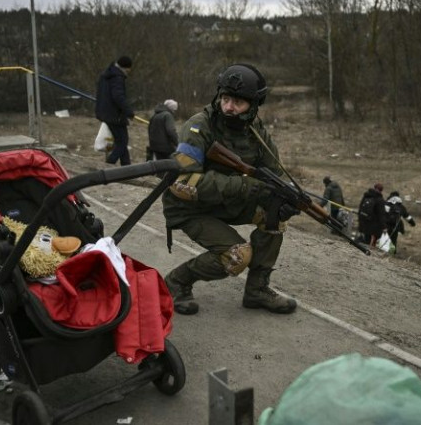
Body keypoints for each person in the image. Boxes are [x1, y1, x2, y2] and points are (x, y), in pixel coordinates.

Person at [162, 63, 300, 316]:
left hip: (226, 203)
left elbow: (273, 174)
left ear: (254, 106)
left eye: (237, 102)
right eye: (225, 99)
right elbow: (182, 183)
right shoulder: (198, 127)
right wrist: (247, 185)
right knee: (237, 256)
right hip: (190, 208)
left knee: (275, 214)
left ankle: (257, 290)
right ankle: (176, 282)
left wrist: (286, 199)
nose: (229, 107)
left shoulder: (255, 131)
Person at [95, 56, 135, 166]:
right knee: (122, 142)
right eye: (129, 69)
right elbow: (118, 97)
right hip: (115, 115)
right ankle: (109, 164)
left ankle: (126, 166)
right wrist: (129, 112)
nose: (129, 72)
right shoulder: (117, 77)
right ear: (125, 67)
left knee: (121, 141)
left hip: (105, 112)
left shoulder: (106, 75)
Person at [357, 183, 386, 247]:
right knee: (371, 241)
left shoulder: (366, 196)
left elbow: (360, 207)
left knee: (364, 239)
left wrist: (359, 219)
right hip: (373, 224)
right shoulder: (380, 199)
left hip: (363, 221)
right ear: (381, 190)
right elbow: (381, 214)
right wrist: (384, 226)